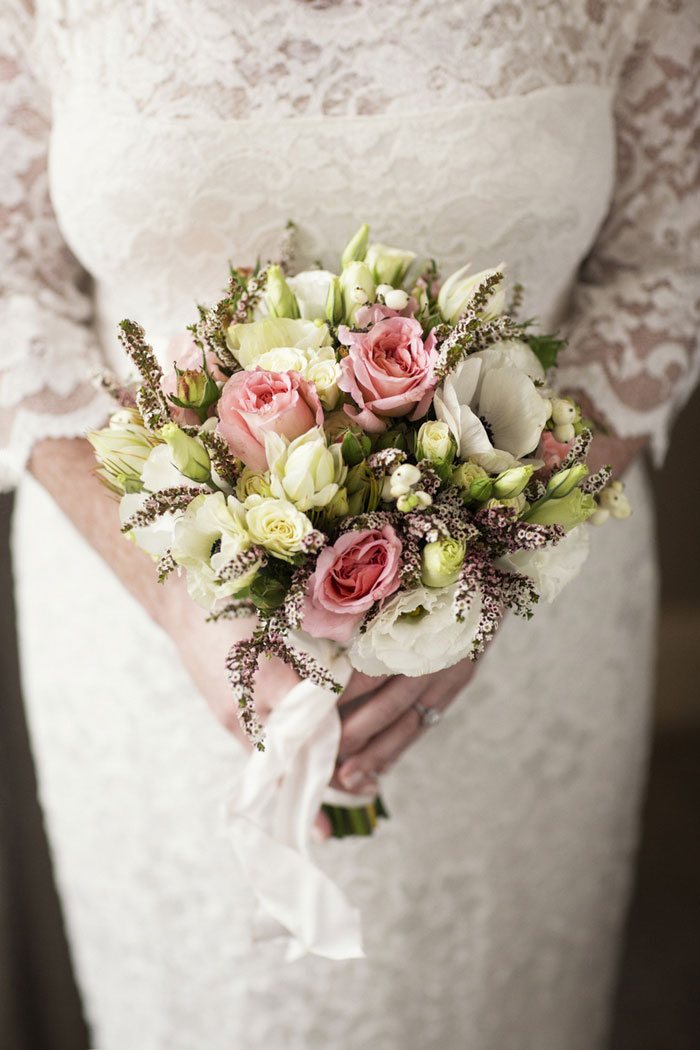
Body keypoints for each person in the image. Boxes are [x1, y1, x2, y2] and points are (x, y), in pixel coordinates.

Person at [1, 1, 698, 1047]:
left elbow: (663, 267)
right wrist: (183, 607)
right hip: (139, 622)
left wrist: (485, 577)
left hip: (525, 633)